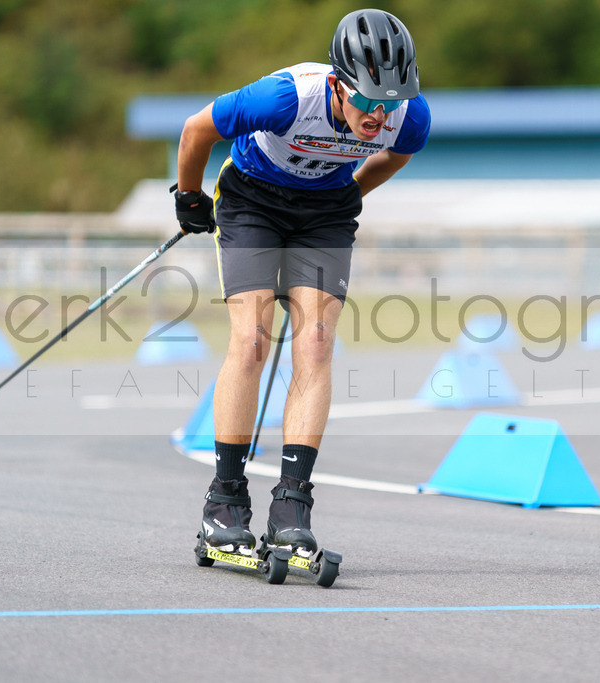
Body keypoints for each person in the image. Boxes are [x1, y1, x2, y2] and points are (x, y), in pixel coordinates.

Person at [174, 9, 431, 554]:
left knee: (314, 343)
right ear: (339, 84)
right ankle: (225, 499)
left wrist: (350, 194)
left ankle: (293, 503)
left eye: (390, 102)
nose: (378, 115)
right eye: (367, 99)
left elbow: (397, 155)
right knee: (252, 341)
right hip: (252, 202)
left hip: (325, 211)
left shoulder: (410, 116)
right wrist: (189, 197)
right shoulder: (286, 98)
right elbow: (197, 128)